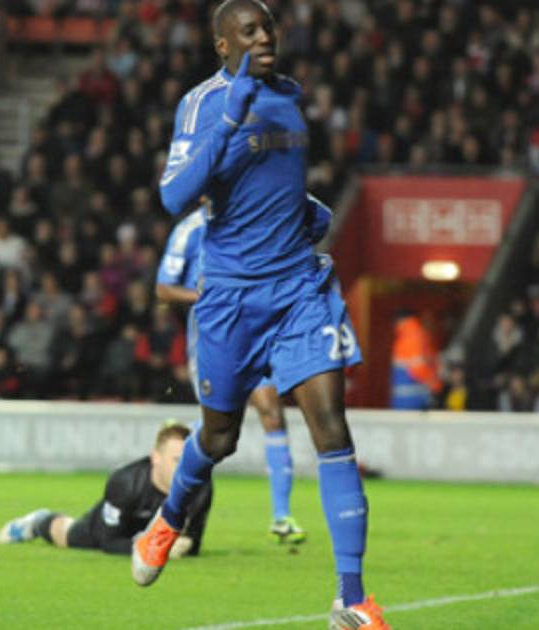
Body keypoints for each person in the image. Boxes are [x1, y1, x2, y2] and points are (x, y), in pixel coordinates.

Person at [134, 2, 387, 627]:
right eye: (248, 31)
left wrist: (306, 210)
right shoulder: (203, 103)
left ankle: (351, 597)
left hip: (299, 287)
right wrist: (232, 113)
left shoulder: (290, 97)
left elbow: (276, 179)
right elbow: (174, 195)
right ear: (223, 45)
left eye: (268, 27)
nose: (264, 37)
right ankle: (168, 520)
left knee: (332, 429)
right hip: (230, 297)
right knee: (220, 437)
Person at [154, 197, 332, 545]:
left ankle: (281, 516)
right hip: (212, 339)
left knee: (272, 412)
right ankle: (172, 492)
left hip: (254, 334)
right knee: (216, 430)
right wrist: (206, 295)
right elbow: (163, 288)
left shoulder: (252, 218)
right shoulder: (189, 230)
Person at [0, 421, 212, 556]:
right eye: (177, 460)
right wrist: (152, 548)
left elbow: (193, 541)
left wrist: (185, 545)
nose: (184, 470)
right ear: (156, 457)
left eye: (188, 462)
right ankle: (38, 522)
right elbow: (108, 541)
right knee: (69, 536)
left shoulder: (201, 487)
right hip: (109, 529)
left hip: (149, 536)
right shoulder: (125, 482)